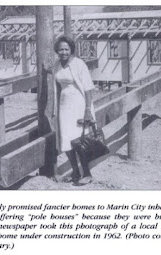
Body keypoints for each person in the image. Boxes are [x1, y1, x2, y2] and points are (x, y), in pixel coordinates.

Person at [51, 36, 95, 185]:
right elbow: (55, 84)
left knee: (79, 140)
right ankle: (75, 172)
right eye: (61, 49)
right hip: (64, 106)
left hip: (78, 105)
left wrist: (88, 109)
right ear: (57, 50)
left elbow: (88, 88)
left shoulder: (79, 64)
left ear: (71, 50)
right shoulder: (57, 64)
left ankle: (87, 173)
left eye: (66, 49)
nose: (63, 52)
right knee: (66, 140)